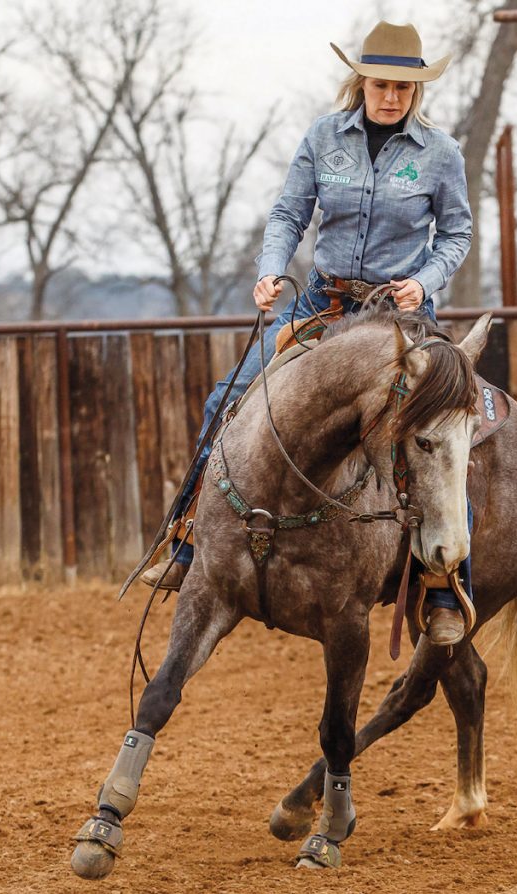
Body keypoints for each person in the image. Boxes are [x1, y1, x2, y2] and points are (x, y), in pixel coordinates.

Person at [140, 21, 474, 645]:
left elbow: (456, 233)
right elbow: (290, 213)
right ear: (361, 81)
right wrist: (271, 271)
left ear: (417, 89)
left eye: (404, 87)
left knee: (449, 431)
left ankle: (447, 586)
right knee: (229, 398)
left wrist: (425, 281)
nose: (391, 96)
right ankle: (186, 537)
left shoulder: (441, 153)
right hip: (326, 303)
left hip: (402, 316)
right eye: (381, 84)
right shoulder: (324, 138)